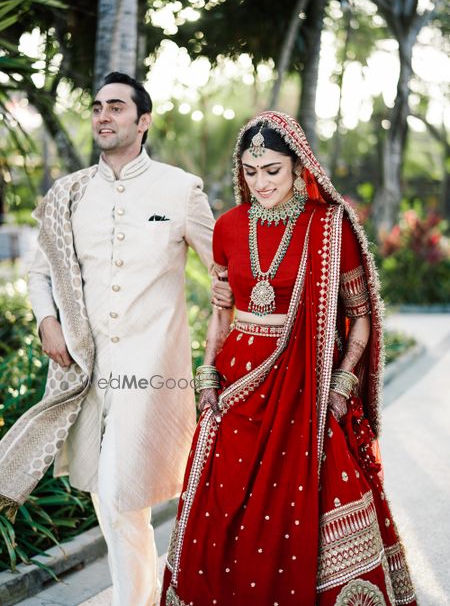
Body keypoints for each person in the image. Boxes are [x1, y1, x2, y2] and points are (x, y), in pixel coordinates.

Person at [161, 111, 417, 606]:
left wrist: (343, 384)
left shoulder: (328, 227)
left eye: (272, 171)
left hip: (310, 390)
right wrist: (207, 371)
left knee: (317, 506)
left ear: (300, 168)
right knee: (222, 510)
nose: (260, 183)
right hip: (236, 386)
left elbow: (360, 316)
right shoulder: (230, 227)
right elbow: (221, 313)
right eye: (250, 172)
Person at [0, 72, 232, 606]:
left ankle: (137, 598)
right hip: (86, 368)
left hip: (152, 369)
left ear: (142, 121)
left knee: (118, 487)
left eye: (117, 108)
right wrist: (46, 321)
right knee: (113, 496)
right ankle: (145, 594)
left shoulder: (181, 189)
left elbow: (224, 271)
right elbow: (42, 273)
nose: (104, 116)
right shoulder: (70, 194)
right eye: (98, 107)